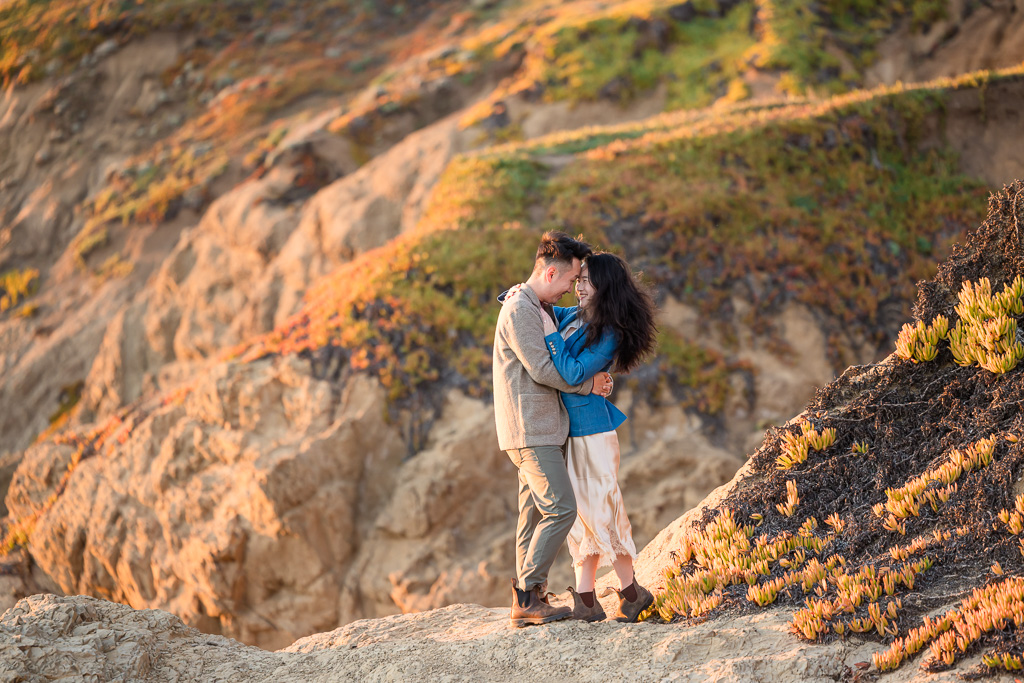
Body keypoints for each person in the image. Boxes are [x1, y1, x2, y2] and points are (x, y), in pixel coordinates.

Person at [505, 251, 657, 623]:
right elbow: (537, 309)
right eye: (577, 280)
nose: (578, 287)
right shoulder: (574, 316)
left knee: (603, 508)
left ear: (605, 285)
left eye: (586, 280)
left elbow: (571, 373)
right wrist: (518, 294)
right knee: (582, 517)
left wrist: (553, 336)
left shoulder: (609, 332)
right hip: (569, 432)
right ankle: (589, 600)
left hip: (594, 433)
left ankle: (628, 593)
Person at [493, 231, 613, 628]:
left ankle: (531, 598)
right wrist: (589, 384)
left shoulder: (529, 304)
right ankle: (528, 597)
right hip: (531, 430)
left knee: (531, 514)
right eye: (569, 280)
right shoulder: (521, 311)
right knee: (562, 508)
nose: (571, 289)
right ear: (549, 273)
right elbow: (543, 370)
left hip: (539, 428)